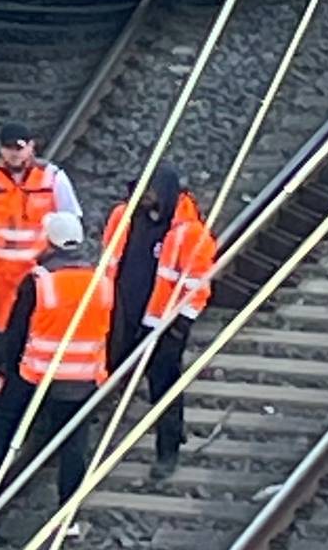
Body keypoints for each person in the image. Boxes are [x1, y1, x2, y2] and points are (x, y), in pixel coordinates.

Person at [0, 210, 112, 530]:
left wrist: (5, 369)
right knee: (74, 442)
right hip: (83, 375)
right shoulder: (101, 281)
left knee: (4, 419)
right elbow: (112, 328)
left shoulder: (40, 281)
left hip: (37, 374)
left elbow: (16, 333)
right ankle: (68, 513)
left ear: (50, 242)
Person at [101, 164, 216, 481]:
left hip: (164, 326)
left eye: (150, 191)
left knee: (164, 388)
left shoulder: (189, 233)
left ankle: (168, 449)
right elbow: (110, 261)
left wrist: (180, 325)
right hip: (121, 316)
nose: (145, 197)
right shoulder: (124, 218)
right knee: (106, 375)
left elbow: (198, 287)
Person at [0, 121, 83, 348]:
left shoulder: (52, 177)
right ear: (0, 148)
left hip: (38, 271)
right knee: (2, 334)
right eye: (8, 147)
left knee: (35, 331)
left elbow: (70, 221)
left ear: (31, 146)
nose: (14, 153)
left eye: (18, 147)